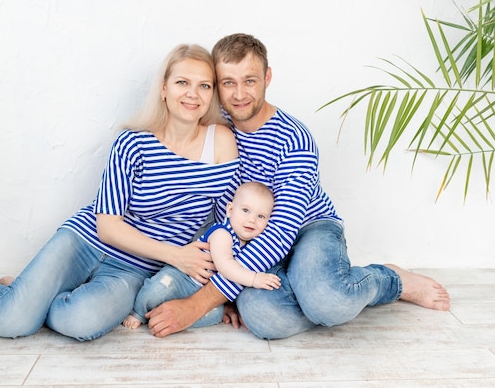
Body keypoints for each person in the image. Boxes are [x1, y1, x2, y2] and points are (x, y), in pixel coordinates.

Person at [142, 33, 451, 340]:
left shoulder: (295, 140)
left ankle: (390, 279)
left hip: (307, 227)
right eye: (228, 82)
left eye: (249, 80)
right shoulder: (212, 125)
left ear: (267, 77)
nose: (238, 94)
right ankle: (309, 287)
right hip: (246, 238)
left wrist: (198, 305)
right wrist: (230, 290)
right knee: (264, 318)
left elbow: (280, 231)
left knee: (330, 302)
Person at [0, 43, 240, 341]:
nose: (192, 94)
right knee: (9, 323)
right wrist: (177, 255)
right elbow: (107, 227)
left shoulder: (221, 143)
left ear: (212, 94)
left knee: (80, 323)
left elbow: (228, 224)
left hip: (135, 268)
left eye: (204, 85)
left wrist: (220, 295)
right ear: (163, 89)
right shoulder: (132, 142)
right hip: (84, 241)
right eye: (182, 82)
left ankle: (26, 296)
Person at [122, 180, 280, 330]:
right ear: (230, 210)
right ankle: (138, 312)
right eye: (245, 210)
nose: (252, 220)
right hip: (183, 277)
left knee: (217, 314)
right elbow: (225, 266)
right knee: (157, 289)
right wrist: (254, 278)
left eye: (261, 217)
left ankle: (163, 312)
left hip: (201, 289)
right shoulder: (223, 234)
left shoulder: (248, 243)